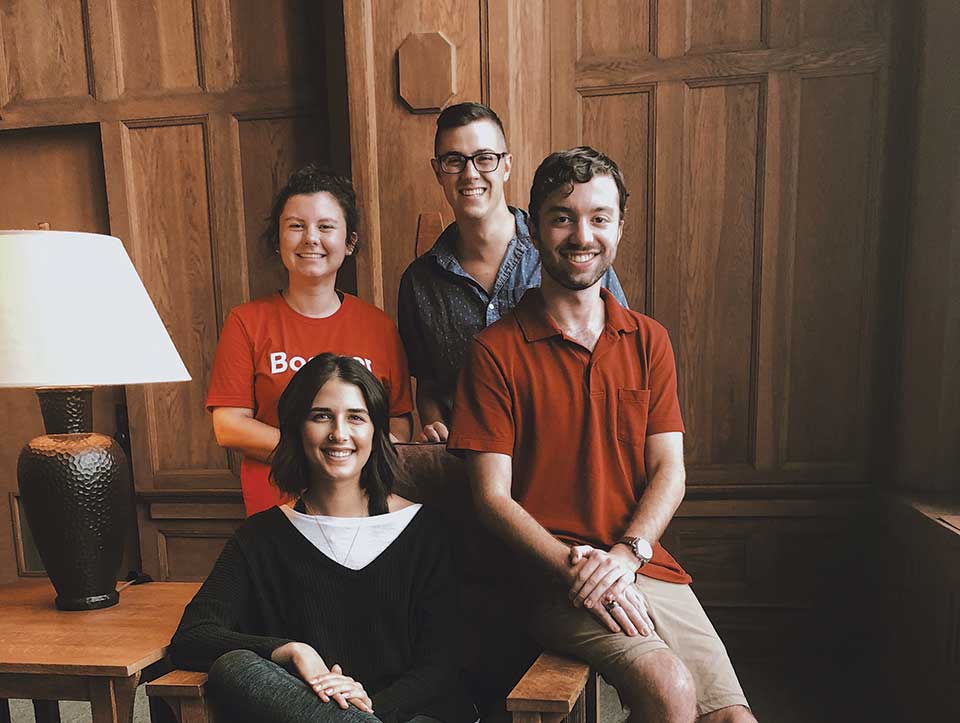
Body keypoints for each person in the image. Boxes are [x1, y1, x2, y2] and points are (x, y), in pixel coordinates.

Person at [447, 147, 755, 722]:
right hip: (549, 578)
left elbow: (670, 471)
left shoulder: (649, 340)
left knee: (734, 718)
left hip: (639, 562)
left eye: (599, 217)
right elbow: (491, 499)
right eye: (562, 217)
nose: (581, 234)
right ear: (534, 228)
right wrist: (582, 570)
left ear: (620, 227)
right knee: (669, 688)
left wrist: (625, 555)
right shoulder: (493, 352)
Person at [171, 354, 475, 723]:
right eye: (321, 416)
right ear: (298, 429)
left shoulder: (426, 531)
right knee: (237, 667)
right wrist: (289, 650)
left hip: (414, 716)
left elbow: (443, 665)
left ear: (376, 433)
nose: (339, 433)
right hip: (311, 715)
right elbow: (193, 636)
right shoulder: (261, 538)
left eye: (356, 418)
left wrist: (368, 709)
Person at [397, 102, 627, 441]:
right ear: (438, 171)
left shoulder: (568, 251)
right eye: (454, 160)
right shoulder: (420, 282)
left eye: (485, 158)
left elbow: (619, 356)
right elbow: (429, 385)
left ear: (506, 166)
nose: (470, 173)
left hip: (565, 453)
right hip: (467, 468)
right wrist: (435, 426)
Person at [206, 165, 414, 515]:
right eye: (296, 226)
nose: (310, 238)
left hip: (363, 507)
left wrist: (346, 457)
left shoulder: (378, 326)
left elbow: (400, 422)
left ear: (349, 242)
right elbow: (229, 426)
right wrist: (320, 450)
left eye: (326, 226)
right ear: (277, 240)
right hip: (276, 506)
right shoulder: (246, 322)